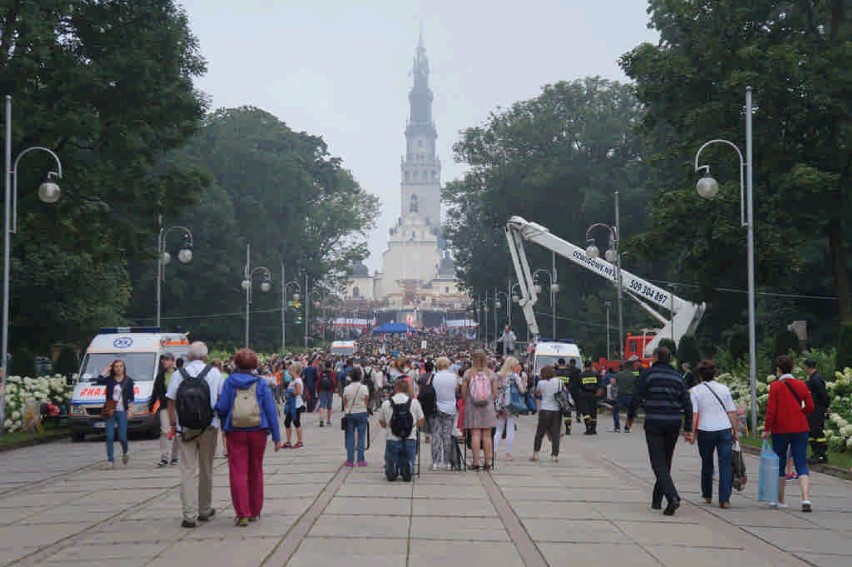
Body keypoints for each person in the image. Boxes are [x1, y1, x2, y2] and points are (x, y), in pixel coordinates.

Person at [214, 349, 281, 527]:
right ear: (254, 365)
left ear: (236, 364)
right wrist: (276, 436)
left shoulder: (229, 382)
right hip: (258, 430)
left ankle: (242, 513)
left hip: (235, 431)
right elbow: (270, 410)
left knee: (238, 472)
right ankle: (255, 511)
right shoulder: (260, 383)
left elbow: (222, 407)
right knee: (256, 470)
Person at [166, 341, 224, 529]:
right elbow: (221, 400)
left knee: (187, 470)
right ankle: (204, 509)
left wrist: (173, 424)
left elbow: (171, 401)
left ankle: (189, 515)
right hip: (208, 427)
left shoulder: (177, 375)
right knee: (206, 469)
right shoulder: (214, 374)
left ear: (188, 356)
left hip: (185, 429)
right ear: (205, 356)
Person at [630, 347, 693, 516]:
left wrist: (630, 416)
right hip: (673, 423)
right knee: (665, 461)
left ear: (656, 357)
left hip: (654, 422)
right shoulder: (678, 377)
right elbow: (687, 403)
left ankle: (672, 497)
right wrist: (687, 428)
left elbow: (637, 395)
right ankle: (657, 500)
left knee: (657, 462)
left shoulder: (648, 374)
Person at [762, 355, 815, 512]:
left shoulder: (775, 387)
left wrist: (766, 429)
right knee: (801, 464)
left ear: (778, 370)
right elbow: (811, 407)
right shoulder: (801, 385)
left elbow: (771, 411)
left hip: (781, 429)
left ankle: (780, 499)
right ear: (792, 368)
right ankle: (806, 498)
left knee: (780, 463)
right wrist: (801, 411)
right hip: (800, 428)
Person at [688, 359, 737, 509]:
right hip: (724, 429)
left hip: (705, 430)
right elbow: (731, 411)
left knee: (707, 463)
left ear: (700, 375)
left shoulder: (695, 391)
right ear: (715, 373)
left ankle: (707, 494)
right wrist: (734, 430)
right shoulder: (724, 389)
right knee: (726, 464)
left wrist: (692, 432)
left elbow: (694, 414)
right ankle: (724, 499)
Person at [379, 380, 425, 481]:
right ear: (408, 389)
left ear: (395, 389)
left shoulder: (387, 403)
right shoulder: (414, 402)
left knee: (391, 455)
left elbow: (382, 422)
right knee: (409, 456)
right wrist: (412, 426)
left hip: (392, 438)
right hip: (410, 437)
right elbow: (421, 422)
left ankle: (392, 468)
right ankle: (408, 467)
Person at [95, 360, 135, 469]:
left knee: (122, 436)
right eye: (116, 366)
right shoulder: (110, 380)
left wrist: (130, 410)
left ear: (124, 368)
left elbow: (131, 398)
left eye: (121, 366)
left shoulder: (128, 381)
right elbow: (98, 380)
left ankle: (125, 451)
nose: (118, 368)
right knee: (109, 436)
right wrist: (106, 370)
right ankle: (110, 460)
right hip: (110, 411)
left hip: (122, 411)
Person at [462, 350, 498, 470]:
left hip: (472, 407)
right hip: (487, 407)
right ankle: (487, 462)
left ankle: (476, 462)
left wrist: (470, 399)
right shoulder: (491, 374)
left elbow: (463, 394)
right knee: (487, 436)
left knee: (475, 434)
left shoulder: (468, 373)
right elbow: (495, 394)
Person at [150, 353, 179, 467]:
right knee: (165, 431)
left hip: (177, 406)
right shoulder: (160, 376)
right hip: (164, 406)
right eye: (163, 360)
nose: (164, 362)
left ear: (173, 361)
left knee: (177, 432)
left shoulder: (179, 374)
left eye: (167, 360)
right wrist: (151, 405)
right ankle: (164, 457)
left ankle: (175, 456)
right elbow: (155, 391)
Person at [494, 356, 525, 461]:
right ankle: (508, 454)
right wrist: (524, 381)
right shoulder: (515, 376)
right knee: (510, 428)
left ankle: (494, 452)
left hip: (500, 404)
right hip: (511, 404)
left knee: (498, 429)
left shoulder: (498, 375)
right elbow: (522, 391)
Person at [530, 365, 562, 462]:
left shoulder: (541, 383)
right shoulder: (559, 381)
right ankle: (554, 455)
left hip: (544, 410)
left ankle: (535, 453)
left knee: (540, 432)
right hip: (556, 410)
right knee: (556, 433)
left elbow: (538, 394)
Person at [430, 356, 457, 470]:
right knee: (447, 436)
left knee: (436, 435)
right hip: (450, 408)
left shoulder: (434, 377)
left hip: (437, 407)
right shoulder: (453, 377)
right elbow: (456, 390)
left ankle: (435, 462)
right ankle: (448, 462)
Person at [342, 367, 370, 467]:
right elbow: (366, 400)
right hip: (361, 412)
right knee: (361, 437)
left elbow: (345, 402)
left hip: (350, 413)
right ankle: (360, 459)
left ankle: (350, 460)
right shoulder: (364, 388)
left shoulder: (346, 388)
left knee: (350, 436)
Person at [804, 358, 830, 464]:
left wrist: (825, 406)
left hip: (817, 408)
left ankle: (821, 454)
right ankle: (816, 453)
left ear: (806, 366)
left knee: (817, 431)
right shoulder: (814, 378)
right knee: (812, 431)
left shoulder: (815, 379)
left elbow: (823, 393)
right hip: (814, 408)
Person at [613, 357, 640, 433]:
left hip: (620, 395)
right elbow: (637, 385)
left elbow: (615, 383)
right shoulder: (634, 375)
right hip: (630, 396)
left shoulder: (619, 374)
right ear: (631, 366)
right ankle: (627, 427)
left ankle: (617, 427)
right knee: (630, 412)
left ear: (624, 366)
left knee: (616, 411)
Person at [576, 360, 602, 435]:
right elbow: (599, 385)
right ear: (591, 366)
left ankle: (588, 428)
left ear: (584, 366)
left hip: (584, 395)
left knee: (586, 413)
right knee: (593, 412)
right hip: (593, 395)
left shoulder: (580, 375)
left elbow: (578, 386)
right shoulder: (596, 374)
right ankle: (593, 429)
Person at [283, 361, 304, 449]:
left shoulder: (297, 381)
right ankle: (288, 441)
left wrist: (289, 393)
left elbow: (298, 392)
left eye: (291, 370)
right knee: (287, 422)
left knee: (295, 422)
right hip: (291, 404)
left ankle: (299, 441)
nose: (289, 372)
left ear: (295, 371)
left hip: (296, 405)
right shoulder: (293, 381)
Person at [554, 358, 573, 436]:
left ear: (558, 363)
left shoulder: (555, 373)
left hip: (557, 394)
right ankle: (568, 429)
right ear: (564, 364)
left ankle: (558, 429)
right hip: (566, 394)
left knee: (558, 412)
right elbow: (571, 384)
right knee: (567, 412)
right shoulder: (568, 373)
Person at [317, 360, 337, 427]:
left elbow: (318, 383)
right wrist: (334, 389)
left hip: (322, 390)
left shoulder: (321, 373)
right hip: (330, 390)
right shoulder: (332, 373)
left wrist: (318, 391)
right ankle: (328, 421)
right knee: (329, 406)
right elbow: (334, 382)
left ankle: (321, 419)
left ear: (325, 366)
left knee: (322, 405)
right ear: (331, 366)